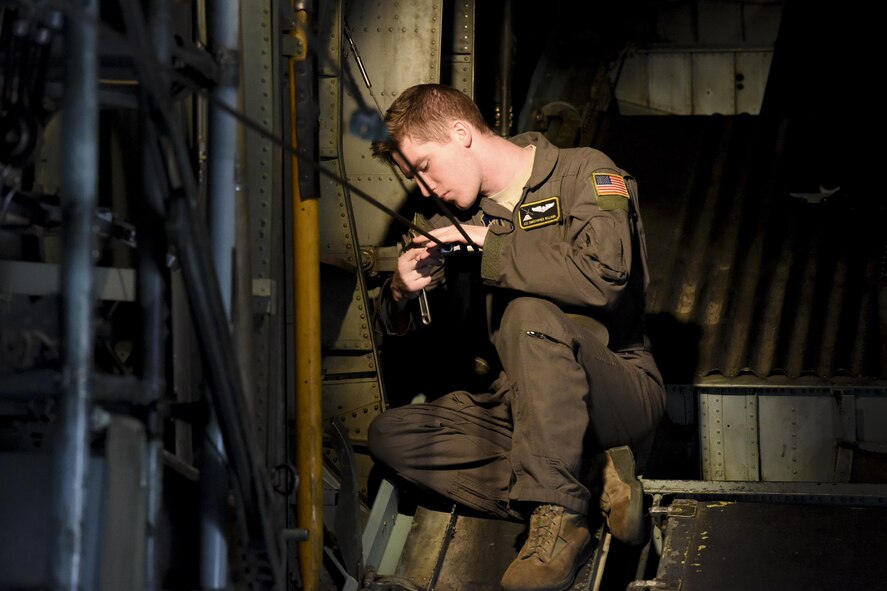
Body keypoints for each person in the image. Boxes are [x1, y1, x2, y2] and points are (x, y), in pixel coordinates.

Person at [366, 83, 665, 591]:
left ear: (460, 133)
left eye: (422, 166)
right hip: (520, 405)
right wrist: (399, 292)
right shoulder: (450, 220)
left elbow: (604, 278)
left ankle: (560, 519)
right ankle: (591, 480)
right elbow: (411, 332)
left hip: (616, 389)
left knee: (529, 313)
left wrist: (490, 243)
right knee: (392, 437)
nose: (421, 188)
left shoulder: (584, 172)